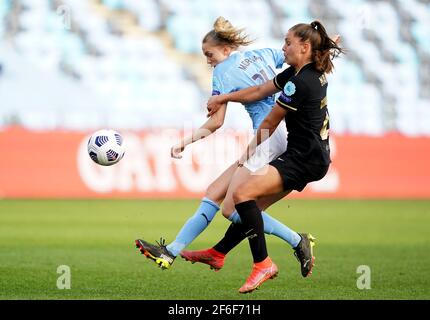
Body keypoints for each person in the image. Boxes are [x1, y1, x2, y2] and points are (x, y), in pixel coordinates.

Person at [181, 21, 344, 294]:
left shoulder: (297, 84)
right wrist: (225, 99)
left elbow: (270, 120)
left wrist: (248, 151)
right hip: (310, 156)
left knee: (242, 196)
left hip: (303, 159)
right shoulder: (305, 71)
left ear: (304, 48)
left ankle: (263, 263)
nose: (283, 48)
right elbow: (258, 91)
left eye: (288, 43)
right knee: (247, 207)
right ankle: (219, 252)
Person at [135, 17, 306, 271]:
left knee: (233, 208)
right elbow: (299, 64)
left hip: (267, 136)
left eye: (209, 53)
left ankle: (296, 240)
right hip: (285, 132)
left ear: (226, 49)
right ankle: (171, 251)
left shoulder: (222, 73)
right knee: (215, 191)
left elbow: (216, 122)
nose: (208, 60)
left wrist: (186, 141)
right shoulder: (264, 53)